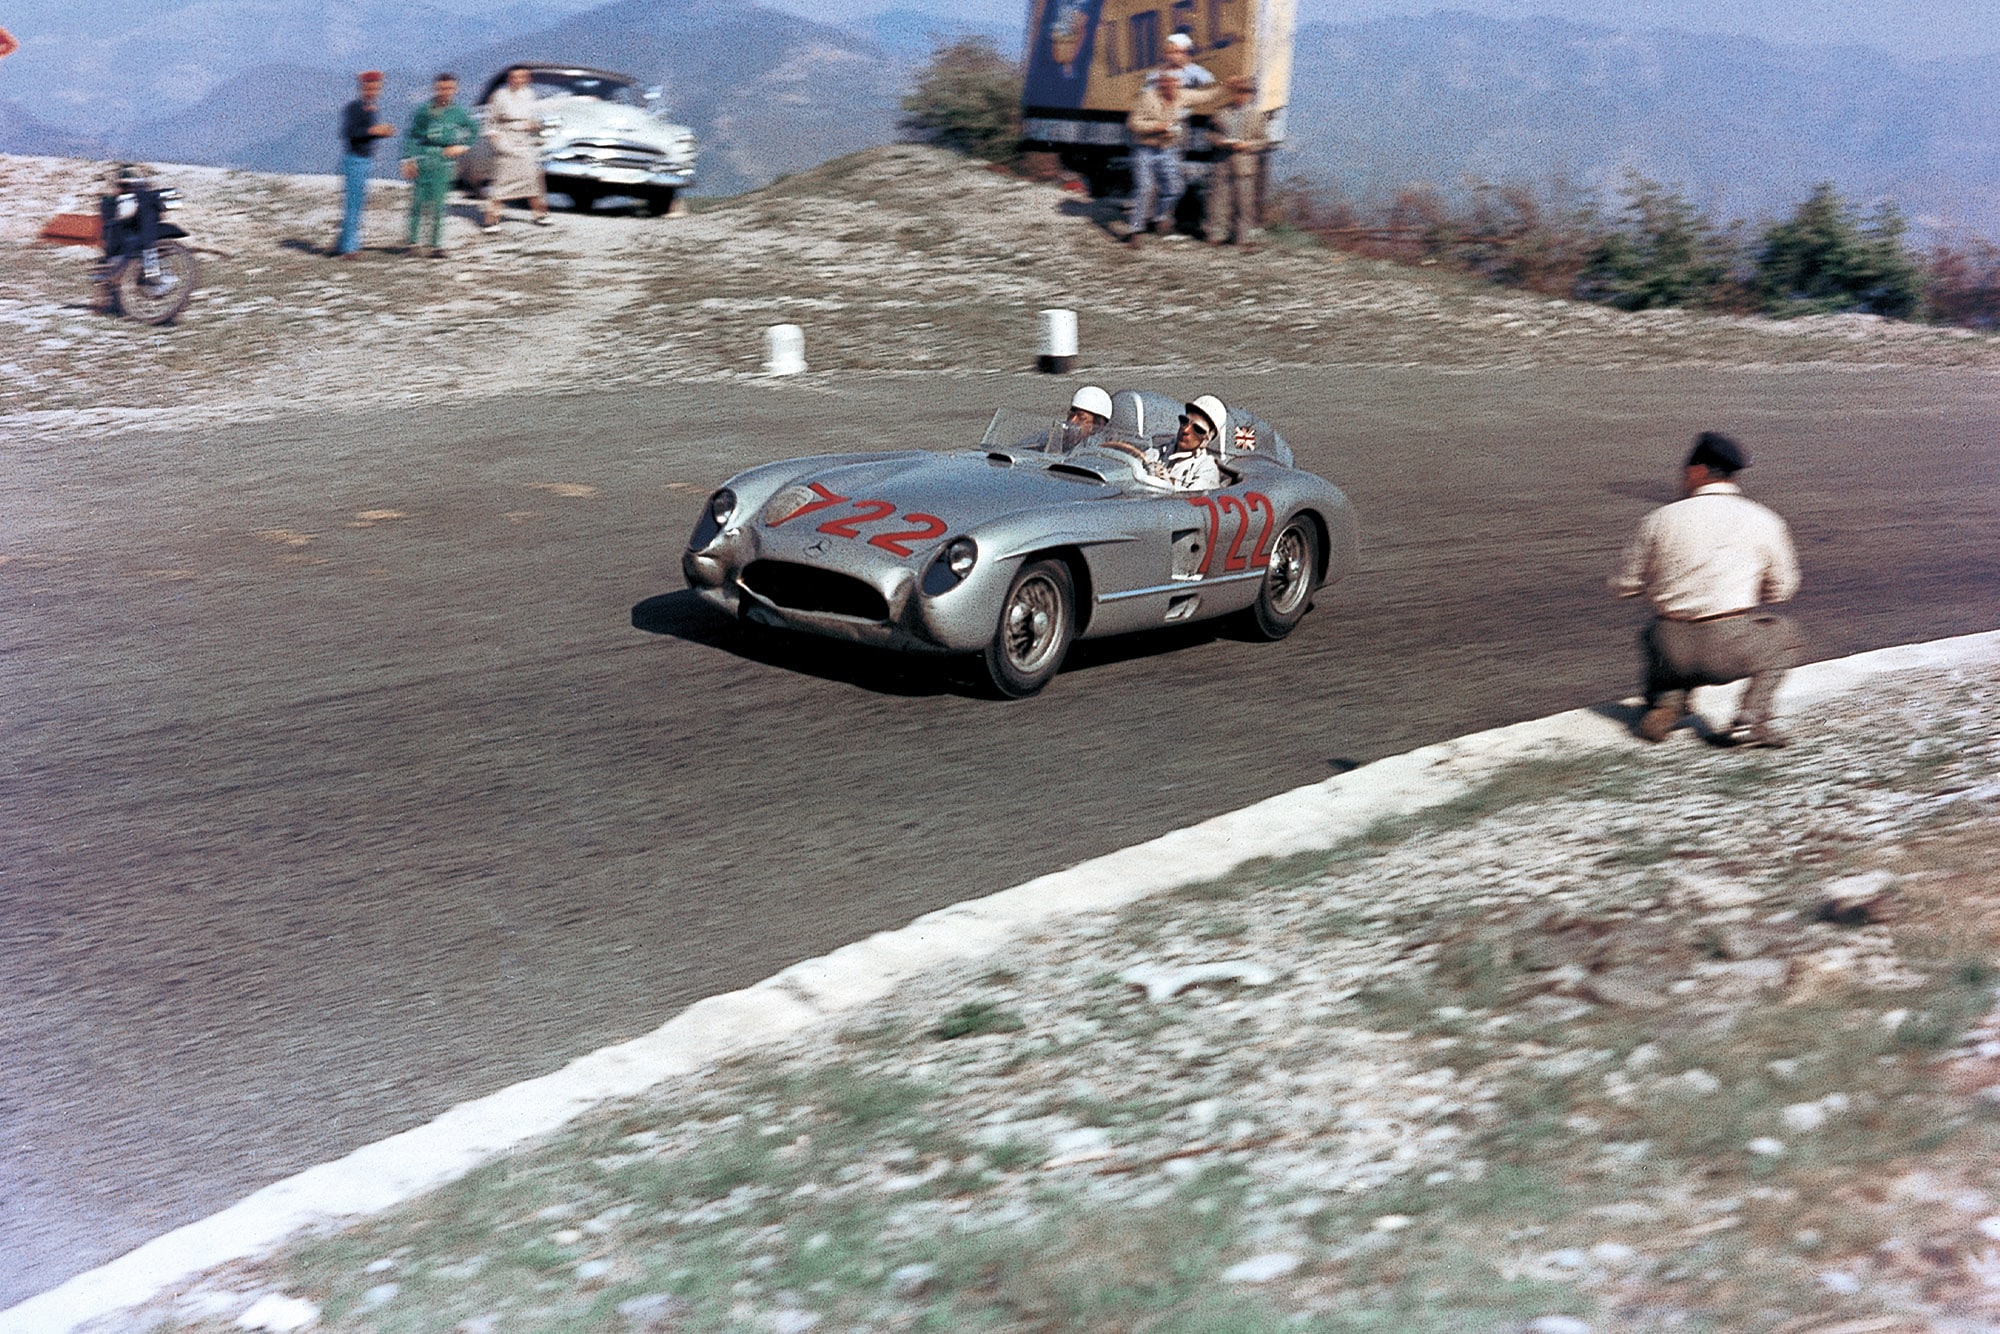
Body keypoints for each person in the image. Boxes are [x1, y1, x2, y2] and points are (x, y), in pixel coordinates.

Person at [1611, 432, 1805, 747]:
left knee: (1652, 634)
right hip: (1727, 649)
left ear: (1698, 471)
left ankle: (1667, 703)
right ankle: (1750, 720)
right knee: (1784, 634)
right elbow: (1782, 590)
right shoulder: (1764, 520)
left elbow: (1625, 586)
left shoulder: (1658, 519)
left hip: (1669, 647)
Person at [400, 73, 476, 257]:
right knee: (418, 202)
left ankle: (436, 245)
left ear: (455, 90)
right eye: (441, 88)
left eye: (449, 88)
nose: (445, 92)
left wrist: (461, 147)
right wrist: (408, 159)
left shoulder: (458, 112)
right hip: (424, 157)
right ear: (435, 89)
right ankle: (412, 242)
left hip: (444, 160)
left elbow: (473, 130)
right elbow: (411, 135)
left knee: (439, 204)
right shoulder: (424, 110)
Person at [480, 65, 551, 231]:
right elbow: (490, 122)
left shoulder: (530, 95)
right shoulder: (499, 95)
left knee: (532, 177)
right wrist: (497, 142)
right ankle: (491, 219)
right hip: (506, 139)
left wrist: (534, 125)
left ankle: (540, 213)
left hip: (524, 141)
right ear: (509, 79)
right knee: (503, 180)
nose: (518, 80)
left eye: (522, 77)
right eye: (515, 77)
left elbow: (535, 116)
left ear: (527, 79)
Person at [335, 71, 395, 257]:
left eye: (376, 87)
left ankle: (344, 242)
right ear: (362, 87)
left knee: (358, 203)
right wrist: (373, 130)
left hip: (365, 159)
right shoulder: (354, 108)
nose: (373, 91)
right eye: (369, 87)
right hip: (354, 159)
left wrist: (380, 132)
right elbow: (348, 132)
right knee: (353, 203)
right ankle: (350, 248)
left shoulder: (372, 108)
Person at [1205, 76, 1268, 250]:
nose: (1242, 95)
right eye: (1239, 91)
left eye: (1246, 92)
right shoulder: (1222, 112)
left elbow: (1263, 141)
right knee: (1219, 199)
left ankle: (1242, 238)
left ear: (1251, 95)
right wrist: (1219, 142)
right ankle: (1216, 235)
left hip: (1245, 163)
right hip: (1223, 161)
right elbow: (1210, 135)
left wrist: (1248, 145)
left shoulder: (1257, 116)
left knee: (1244, 202)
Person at [1150, 395, 1226, 491]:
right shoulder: (1161, 451)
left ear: (1207, 438)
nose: (1185, 430)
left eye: (1197, 429)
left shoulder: (1207, 470)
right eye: (1184, 421)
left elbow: (1195, 499)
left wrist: (1167, 482)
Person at [1060, 384, 1113, 450]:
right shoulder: (1055, 443)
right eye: (1071, 415)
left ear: (1098, 425)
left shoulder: (1102, 453)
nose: (1072, 421)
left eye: (1081, 418)